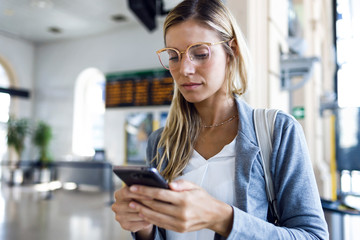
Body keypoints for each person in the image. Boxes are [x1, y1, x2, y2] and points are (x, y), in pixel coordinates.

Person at [111, 0, 329, 239]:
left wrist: (222, 218)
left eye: (200, 54)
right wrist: (143, 225)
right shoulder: (161, 141)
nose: (185, 69)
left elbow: (313, 236)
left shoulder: (277, 131)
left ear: (231, 50)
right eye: (174, 56)